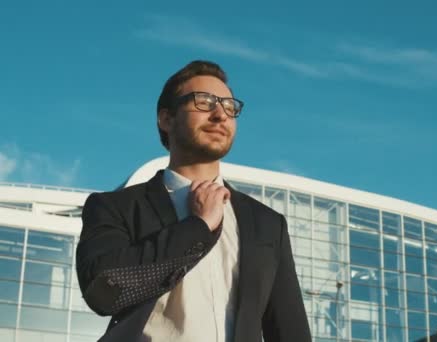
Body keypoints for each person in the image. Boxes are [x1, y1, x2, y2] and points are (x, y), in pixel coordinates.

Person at [76, 60, 311, 342]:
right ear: (166, 119)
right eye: (204, 102)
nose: (220, 114)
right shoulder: (116, 207)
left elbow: (290, 330)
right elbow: (102, 292)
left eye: (229, 106)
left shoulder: (268, 225)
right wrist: (198, 227)